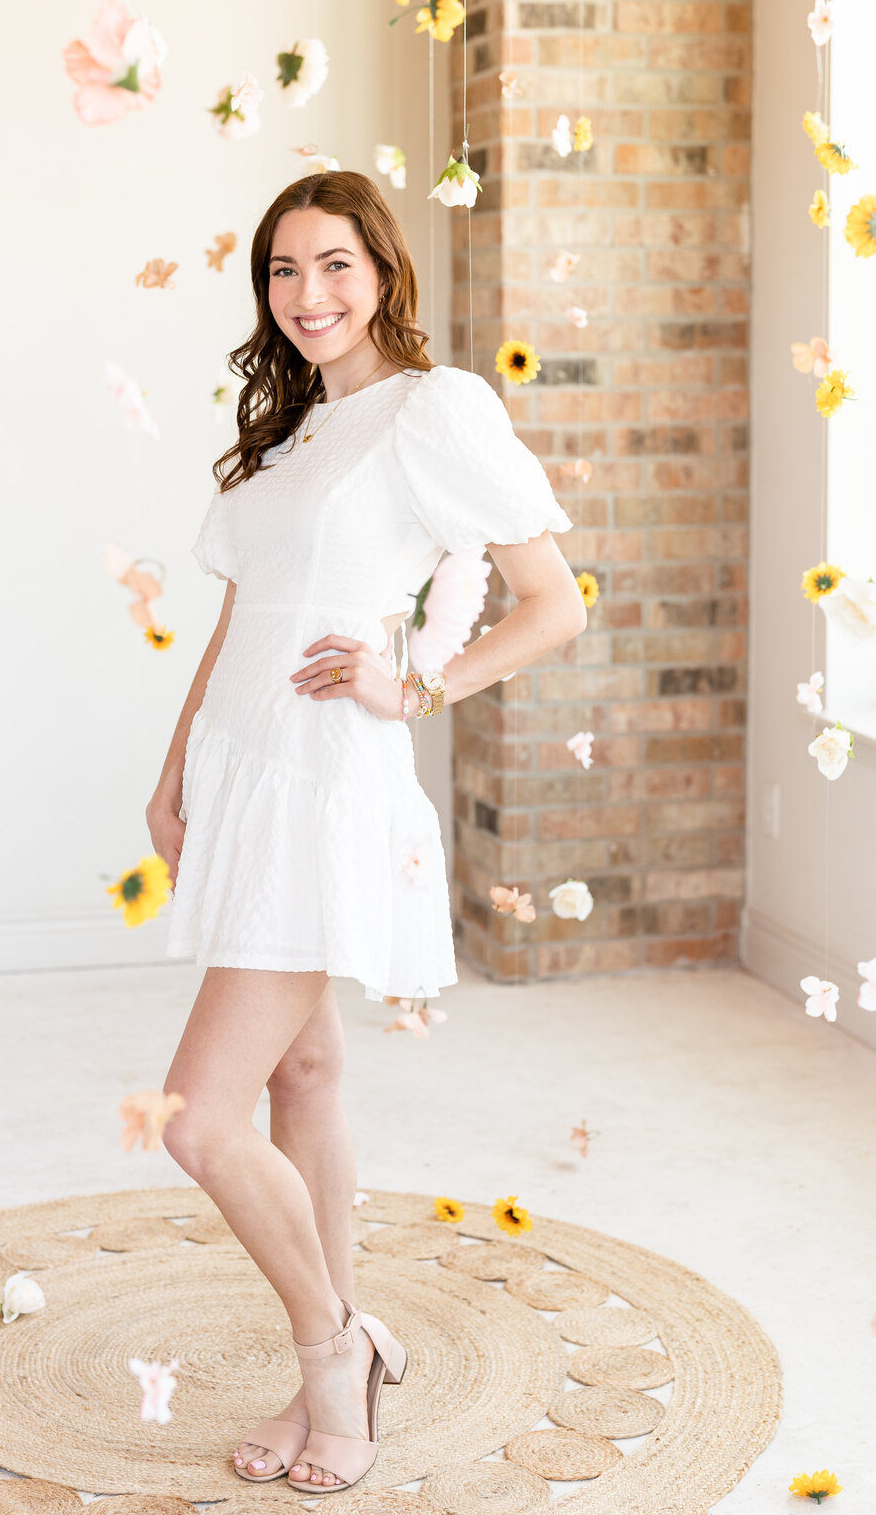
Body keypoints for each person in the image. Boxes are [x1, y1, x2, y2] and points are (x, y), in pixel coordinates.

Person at [145, 170, 586, 1492]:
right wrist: (172, 773)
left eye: (332, 265)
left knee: (196, 1120)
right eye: (282, 271)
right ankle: (324, 1367)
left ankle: (340, 1350)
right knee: (305, 1081)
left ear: (383, 272)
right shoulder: (297, 438)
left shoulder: (433, 412)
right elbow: (244, 623)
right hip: (242, 772)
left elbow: (553, 603)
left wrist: (418, 688)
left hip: (323, 784)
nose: (308, 295)